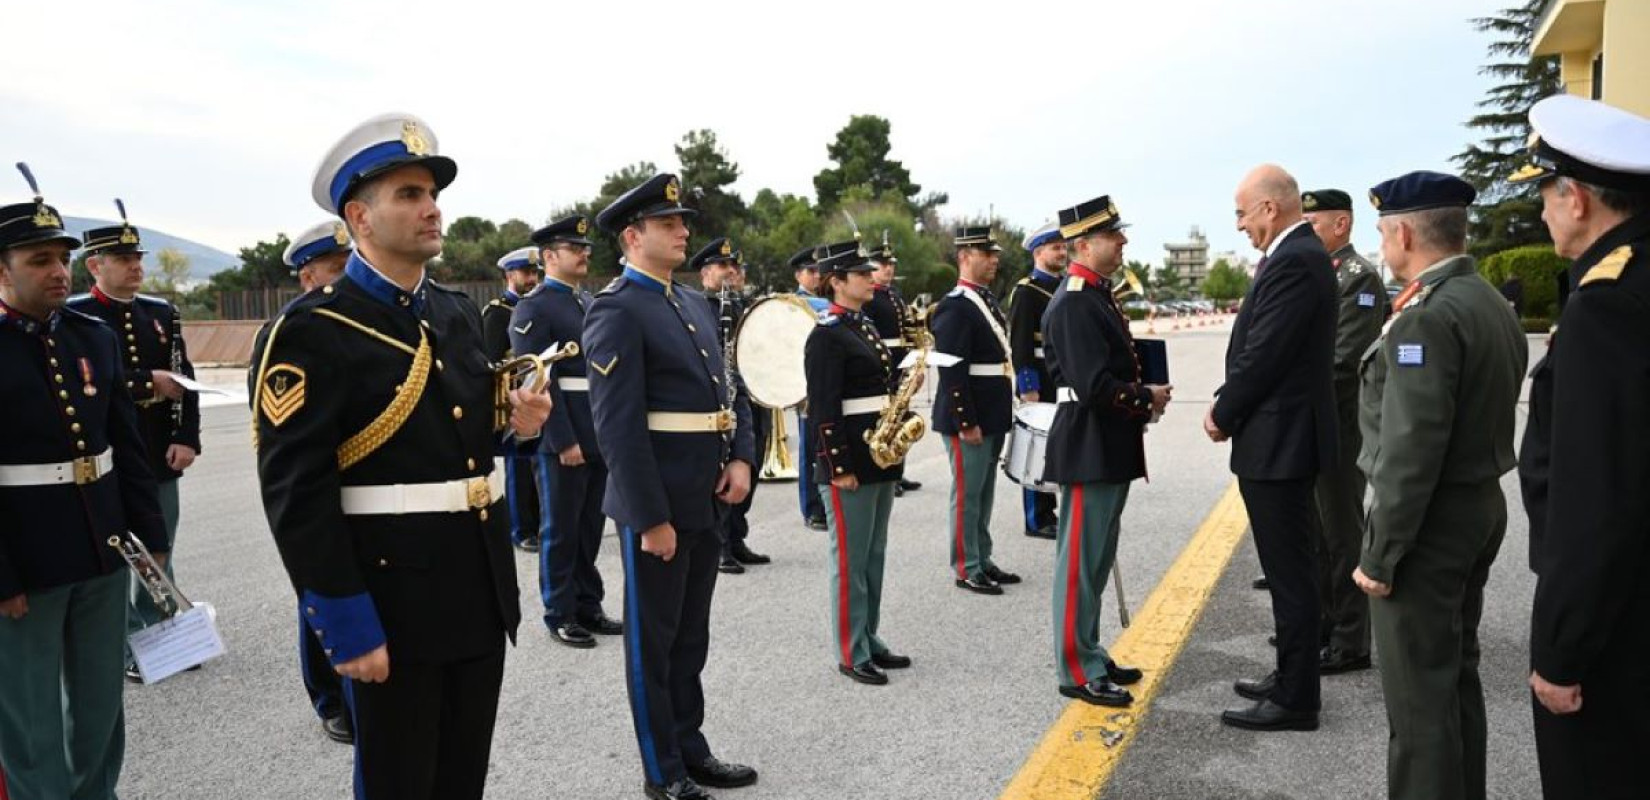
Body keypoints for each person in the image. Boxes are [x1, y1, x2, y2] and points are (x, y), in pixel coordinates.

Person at [253, 112, 549, 800]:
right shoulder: (313, 329)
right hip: (391, 598)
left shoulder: (451, 311)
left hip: (475, 588)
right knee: (399, 783)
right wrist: (345, 624)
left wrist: (519, 428)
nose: (431, 209)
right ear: (358, 216)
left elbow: (457, 437)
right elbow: (297, 494)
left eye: (432, 193)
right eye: (408, 195)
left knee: (460, 778)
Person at [584, 173, 758, 800]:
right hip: (659, 504)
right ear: (633, 237)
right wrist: (648, 516)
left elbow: (729, 393)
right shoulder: (616, 309)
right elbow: (618, 428)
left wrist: (741, 456)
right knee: (652, 644)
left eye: (682, 222)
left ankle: (692, 747)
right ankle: (663, 770)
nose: (684, 231)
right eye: (668, 224)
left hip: (705, 495)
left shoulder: (689, 303)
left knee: (690, 636)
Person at [1353, 171, 1526, 800]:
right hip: (1475, 507)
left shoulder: (1428, 317)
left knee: (1419, 708)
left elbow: (1411, 450)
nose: (1381, 244)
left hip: (1428, 524)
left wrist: (1380, 552)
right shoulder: (1483, 300)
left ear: (1403, 232)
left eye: (1381, 231)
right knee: (1454, 681)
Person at [0, 165, 168, 800]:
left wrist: (150, 539)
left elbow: (125, 448)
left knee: (100, 708)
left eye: (62, 258)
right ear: (1, 270)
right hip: (27, 563)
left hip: (101, 549)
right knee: (30, 718)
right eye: (38, 259)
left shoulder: (91, 337)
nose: (57, 271)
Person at [1510, 94, 1650, 800]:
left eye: (1545, 193)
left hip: (1619, 632)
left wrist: (1562, 651)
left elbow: (1598, 500)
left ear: (1577, 198)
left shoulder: (1607, 305)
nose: (1541, 212)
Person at [1207, 164, 1336, 732]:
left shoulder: (1295, 261)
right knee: (1292, 569)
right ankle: (1290, 676)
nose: (1238, 225)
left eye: (1241, 212)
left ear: (1269, 208)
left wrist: (1223, 410)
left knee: (1291, 574)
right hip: (1281, 437)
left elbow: (1265, 355)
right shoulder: (1298, 255)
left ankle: (1295, 697)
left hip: (1280, 440)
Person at [66, 201, 201, 684]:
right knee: (115, 550)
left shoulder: (162, 313)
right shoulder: (72, 318)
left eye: (139, 258)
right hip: (107, 455)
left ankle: (163, 633)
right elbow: (84, 385)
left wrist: (187, 438)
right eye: (124, 260)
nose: (136, 267)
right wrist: (146, 383)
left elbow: (186, 379)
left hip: (159, 450)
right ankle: (125, 641)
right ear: (95, 266)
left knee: (160, 545)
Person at [1042, 196, 1167, 707]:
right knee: (1079, 560)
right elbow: (1094, 384)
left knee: (1096, 559)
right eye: (1113, 236)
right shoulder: (1074, 300)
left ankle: (1090, 650)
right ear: (1084, 244)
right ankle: (1075, 666)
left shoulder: (1094, 293)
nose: (1122, 243)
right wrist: (1145, 398)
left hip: (1106, 440)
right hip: (1089, 439)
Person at [253, 219, 356, 745]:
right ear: (307, 276)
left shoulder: (364, 321)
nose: (347, 277)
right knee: (321, 587)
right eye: (337, 269)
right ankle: (329, 696)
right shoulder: (287, 333)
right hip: (320, 486)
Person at [511, 214, 624, 649]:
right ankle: (559, 611)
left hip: (596, 429)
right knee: (560, 528)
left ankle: (587, 604)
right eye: (574, 248)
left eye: (585, 249)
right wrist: (564, 440)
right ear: (549, 256)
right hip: (565, 433)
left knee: (590, 526)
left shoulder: (586, 303)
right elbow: (537, 379)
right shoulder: (533, 307)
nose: (584, 254)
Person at [804, 240, 914, 686]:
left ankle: (869, 635)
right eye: (861, 273)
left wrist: (906, 379)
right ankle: (851, 651)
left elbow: (876, 382)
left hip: (878, 453)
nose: (872, 278)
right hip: (850, 458)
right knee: (850, 561)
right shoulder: (826, 334)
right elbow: (823, 409)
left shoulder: (861, 324)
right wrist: (839, 467)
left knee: (873, 554)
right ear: (837, 282)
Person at [1299, 188, 1388, 674]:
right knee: (1316, 533)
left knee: (1341, 534)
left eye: (1315, 222)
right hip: (1315, 421)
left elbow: (1342, 361)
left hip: (1341, 423)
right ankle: (1324, 625)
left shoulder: (1360, 278)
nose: (1308, 230)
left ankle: (1351, 641)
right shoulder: (1321, 274)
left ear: (1342, 225)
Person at [930, 226, 1020, 595]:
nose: (995, 259)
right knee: (968, 494)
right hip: (969, 416)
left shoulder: (984, 299)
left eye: (994, 253)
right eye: (986, 253)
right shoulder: (955, 305)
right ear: (965, 257)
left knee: (983, 493)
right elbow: (952, 369)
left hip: (991, 410)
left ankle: (982, 557)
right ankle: (967, 566)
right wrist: (966, 421)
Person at [691, 237, 770, 574]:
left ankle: (737, 536)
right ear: (705, 272)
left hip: (753, 395)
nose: (731, 272)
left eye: (734, 266)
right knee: (726, 470)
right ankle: (721, 544)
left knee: (751, 465)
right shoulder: (700, 307)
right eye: (723, 266)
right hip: (726, 399)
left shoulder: (745, 306)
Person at [1008, 220, 1066, 540]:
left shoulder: (1064, 286)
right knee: (1037, 452)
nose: (1062, 252)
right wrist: (1028, 387)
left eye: (1063, 247)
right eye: (1055, 247)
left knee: (1058, 446)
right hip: (1041, 380)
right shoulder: (1027, 290)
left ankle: (1054, 510)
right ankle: (1037, 517)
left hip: (1062, 379)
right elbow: (1020, 345)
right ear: (1038, 252)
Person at [487, 246, 543, 552]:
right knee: (520, 468)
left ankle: (538, 522)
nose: (532, 279)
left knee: (538, 465)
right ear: (510, 276)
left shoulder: (538, 307)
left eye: (535, 273)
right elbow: (492, 359)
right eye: (526, 273)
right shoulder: (498, 313)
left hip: (538, 394)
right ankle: (521, 529)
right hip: (514, 398)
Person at [861, 237, 921, 498]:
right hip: (883, 360)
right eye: (882, 265)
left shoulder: (894, 295)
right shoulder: (869, 297)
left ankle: (898, 469)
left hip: (900, 360)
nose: (888, 270)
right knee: (887, 418)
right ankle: (887, 467)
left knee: (902, 415)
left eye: (891, 265)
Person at [790, 246, 829, 530]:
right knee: (808, 450)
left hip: (822, 381)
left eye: (818, 271)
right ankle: (811, 508)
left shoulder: (823, 301)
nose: (816, 276)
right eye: (810, 271)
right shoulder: (793, 303)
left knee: (823, 445)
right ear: (798, 275)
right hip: (803, 383)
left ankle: (823, 504)